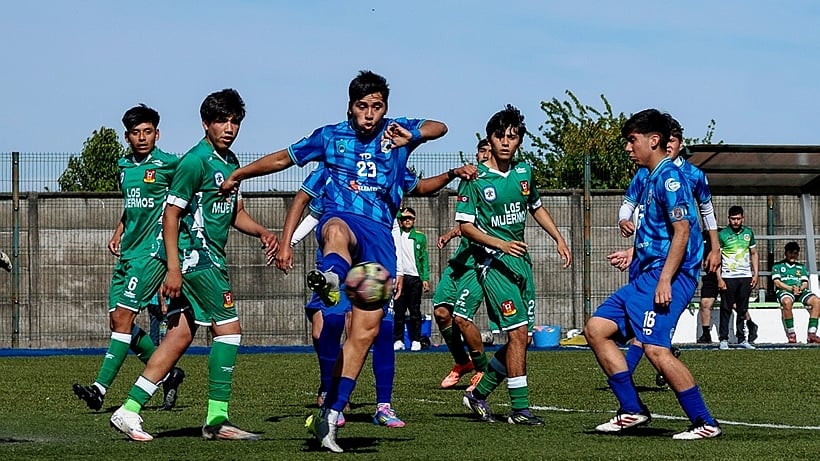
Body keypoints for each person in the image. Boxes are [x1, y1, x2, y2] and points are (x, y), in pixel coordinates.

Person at [219, 71, 475, 453]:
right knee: (335, 229)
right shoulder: (331, 137)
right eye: (362, 107)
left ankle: (332, 413)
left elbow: (440, 127)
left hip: (380, 240)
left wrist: (416, 136)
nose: (370, 114)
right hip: (343, 219)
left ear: (385, 108)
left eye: (377, 106)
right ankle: (332, 277)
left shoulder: (397, 132)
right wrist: (241, 173)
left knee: (366, 332)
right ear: (350, 107)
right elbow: (283, 158)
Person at [109, 89, 279, 442]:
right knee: (229, 330)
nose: (229, 128)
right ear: (206, 124)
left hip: (207, 258)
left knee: (182, 334)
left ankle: (129, 409)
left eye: (234, 121)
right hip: (196, 259)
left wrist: (262, 231)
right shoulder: (194, 161)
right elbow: (171, 215)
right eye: (221, 121)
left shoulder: (230, 162)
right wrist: (173, 268)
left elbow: (236, 214)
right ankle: (217, 419)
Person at [586, 108, 721, 440]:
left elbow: (683, 231)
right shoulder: (648, 177)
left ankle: (704, 422)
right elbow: (658, 233)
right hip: (644, 276)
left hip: (667, 277)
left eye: (632, 141)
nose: (628, 148)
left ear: (654, 140)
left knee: (655, 348)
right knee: (596, 329)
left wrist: (665, 280)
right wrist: (634, 253)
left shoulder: (671, 179)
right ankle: (631, 409)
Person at [458, 105, 572, 425]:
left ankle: (478, 395)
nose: (507, 142)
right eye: (500, 136)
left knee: (519, 339)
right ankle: (520, 409)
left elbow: (536, 207)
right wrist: (499, 244)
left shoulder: (525, 171)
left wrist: (558, 238)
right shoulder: (474, 179)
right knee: (518, 333)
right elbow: (466, 226)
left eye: (513, 136)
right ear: (489, 139)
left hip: (521, 263)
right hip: (492, 264)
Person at [73, 104, 184, 413]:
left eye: (148, 131)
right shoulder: (124, 166)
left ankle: (99, 389)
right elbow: (133, 205)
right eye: (136, 133)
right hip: (127, 253)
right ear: (127, 137)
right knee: (117, 321)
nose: (142, 137)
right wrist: (119, 229)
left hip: (151, 254)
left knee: (123, 319)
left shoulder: (169, 164)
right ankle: (168, 374)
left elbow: (182, 201)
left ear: (157, 133)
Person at [616, 115, 719, 379]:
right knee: (638, 321)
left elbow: (697, 217)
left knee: (652, 323)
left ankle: (643, 368)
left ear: (679, 143)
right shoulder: (645, 173)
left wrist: (714, 247)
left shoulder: (691, 175)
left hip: (675, 260)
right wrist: (625, 226)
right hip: (647, 256)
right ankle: (654, 360)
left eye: (673, 140)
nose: (669, 144)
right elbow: (634, 208)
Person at [436, 139, 492, 390]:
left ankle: (482, 369)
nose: (485, 155)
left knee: (461, 318)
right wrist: (451, 233)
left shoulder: (498, 183)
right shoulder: (468, 181)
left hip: (478, 263)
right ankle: (462, 362)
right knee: (440, 312)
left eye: (489, 152)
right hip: (460, 259)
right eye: (482, 151)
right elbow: (467, 219)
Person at [717, 205, 758, 350]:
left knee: (742, 309)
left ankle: (742, 339)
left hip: (745, 276)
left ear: (743, 218)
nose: (736, 221)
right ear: (729, 218)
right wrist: (719, 278)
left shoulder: (748, 233)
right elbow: (717, 258)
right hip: (728, 276)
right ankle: (723, 339)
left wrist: (756, 274)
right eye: (733, 219)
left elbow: (753, 253)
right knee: (726, 308)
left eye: (738, 219)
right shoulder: (722, 234)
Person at [392, 206, 430, 351]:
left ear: (414, 220)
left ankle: (416, 339)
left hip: (415, 278)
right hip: (400, 278)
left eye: (410, 218)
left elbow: (424, 259)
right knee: (399, 311)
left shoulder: (420, 237)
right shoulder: (397, 234)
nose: (407, 220)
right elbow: (394, 215)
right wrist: (399, 207)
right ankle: (398, 340)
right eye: (404, 218)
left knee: (415, 311)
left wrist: (425, 278)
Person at [772, 241, 820, 343]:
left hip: (800, 291)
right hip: (785, 290)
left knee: (817, 301)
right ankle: (791, 334)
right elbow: (777, 282)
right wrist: (791, 288)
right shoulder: (778, 266)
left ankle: (812, 334)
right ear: (785, 253)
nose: (793, 255)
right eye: (790, 253)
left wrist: (800, 289)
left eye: (795, 253)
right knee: (786, 302)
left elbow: (805, 283)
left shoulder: (800, 267)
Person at [697, 229, 719, 343]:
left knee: (736, 304)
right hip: (710, 274)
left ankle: (749, 324)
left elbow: (721, 248)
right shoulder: (699, 235)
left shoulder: (722, 234)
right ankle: (706, 334)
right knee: (705, 304)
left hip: (727, 274)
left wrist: (712, 254)